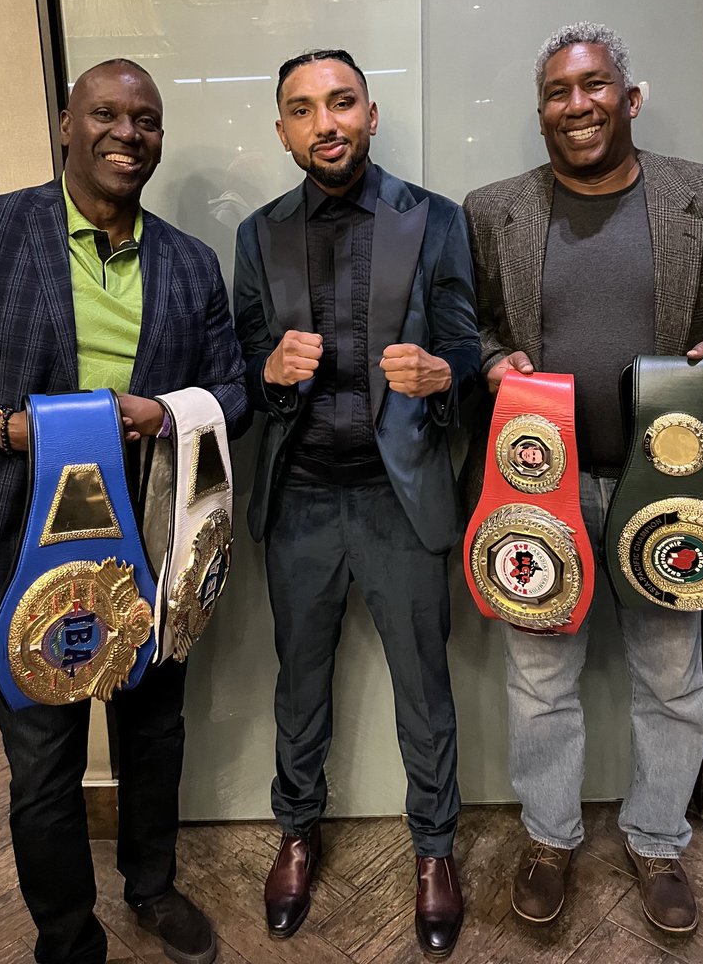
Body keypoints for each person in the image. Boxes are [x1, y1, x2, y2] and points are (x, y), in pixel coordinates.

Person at [0, 59, 249, 964]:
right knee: (44, 750)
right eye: (107, 114)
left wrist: (166, 413)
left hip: (155, 536)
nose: (129, 133)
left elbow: (233, 387)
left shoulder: (189, 260)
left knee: (153, 730)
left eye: (147, 120)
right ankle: (65, 932)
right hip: (24, 532)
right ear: (64, 125)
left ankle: (153, 887)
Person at [463, 22, 703, 936]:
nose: (577, 106)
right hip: (539, 492)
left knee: (671, 680)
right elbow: (471, 325)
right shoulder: (494, 211)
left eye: (593, 86)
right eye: (558, 93)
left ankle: (657, 842)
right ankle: (550, 837)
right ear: (541, 113)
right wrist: (489, 363)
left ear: (628, 98)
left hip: (671, 487)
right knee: (539, 677)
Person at [233, 49, 480, 959]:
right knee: (298, 686)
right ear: (284, 131)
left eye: (341, 103)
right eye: (302, 109)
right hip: (298, 500)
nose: (324, 122)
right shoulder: (256, 236)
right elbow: (249, 380)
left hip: (398, 496)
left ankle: (435, 853)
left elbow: (469, 364)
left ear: (372, 116)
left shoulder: (436, 222)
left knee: (426, 688)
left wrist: (444, 374)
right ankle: (296, 833)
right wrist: (269, 375)